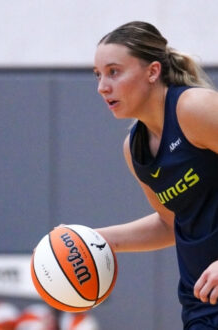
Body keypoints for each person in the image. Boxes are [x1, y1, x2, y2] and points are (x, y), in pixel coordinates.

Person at [93, 21, 218, 329]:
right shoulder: (134, 149)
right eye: (98, 75)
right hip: (202, 304)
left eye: (114, 71)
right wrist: (96, 240)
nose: (102, 87)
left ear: (152, 72)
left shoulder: (194, 108)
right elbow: (169, 223)